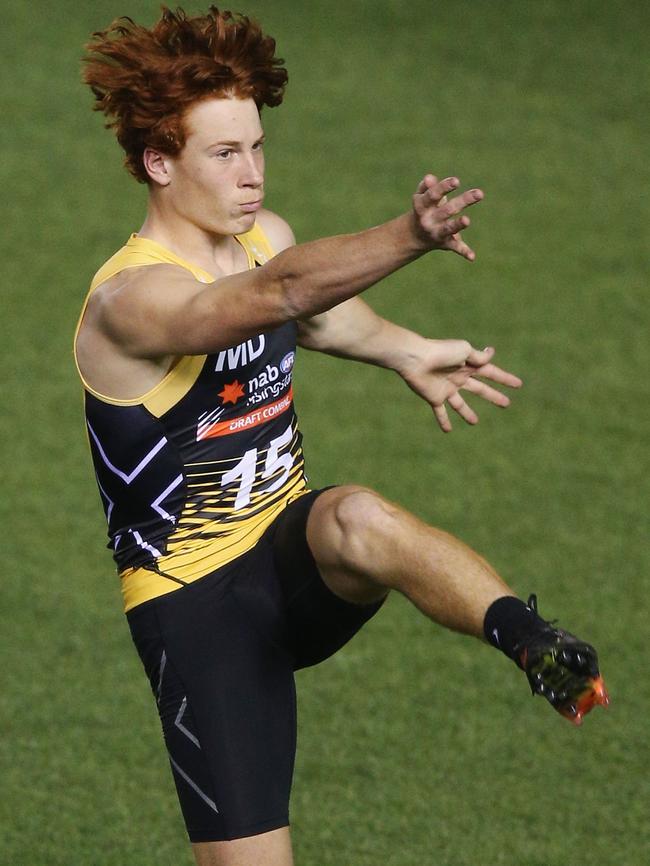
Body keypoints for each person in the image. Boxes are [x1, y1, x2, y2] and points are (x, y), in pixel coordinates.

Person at [76, 7, 608, 865]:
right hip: (197, 610)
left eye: (257, 147)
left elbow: (316, 318)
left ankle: (530, 639)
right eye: (224, 154)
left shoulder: (262, 237)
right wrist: (408, 236)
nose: (251, 173)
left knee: (356, 514)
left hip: (293, 557)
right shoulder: (129, 302)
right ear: (158, 162)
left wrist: (407, 351)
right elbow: (277, 297)